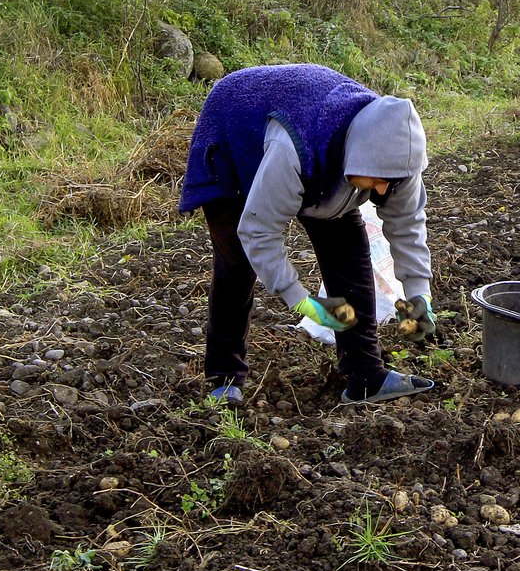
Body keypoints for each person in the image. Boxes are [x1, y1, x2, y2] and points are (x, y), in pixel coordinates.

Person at [179, 64, 438, 406]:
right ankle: (224, 377)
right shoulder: (294, 149)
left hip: (322, 156)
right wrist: (304, 301)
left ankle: (365, 377)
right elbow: (259, 231)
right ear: (357, 158)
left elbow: (408, 226)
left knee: (349, 255)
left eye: (392, 180)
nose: (383, 189)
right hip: (236, 127)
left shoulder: (395, 152)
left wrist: (420, 295)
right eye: (377, 178)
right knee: (237, 262)